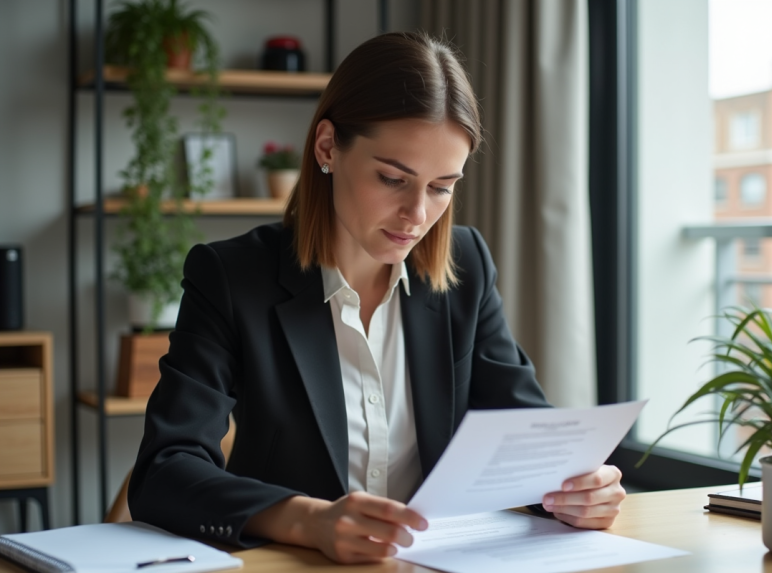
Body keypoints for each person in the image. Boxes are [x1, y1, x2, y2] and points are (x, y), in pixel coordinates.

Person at [128, 31, 625, 565]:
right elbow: (165, 471)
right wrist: (310, 519)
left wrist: (573, 490)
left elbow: (526, 440)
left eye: (441, 186)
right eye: (393, 178)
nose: (417, 214)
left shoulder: (466, 267)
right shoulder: (231, 276)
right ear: (327, 148)